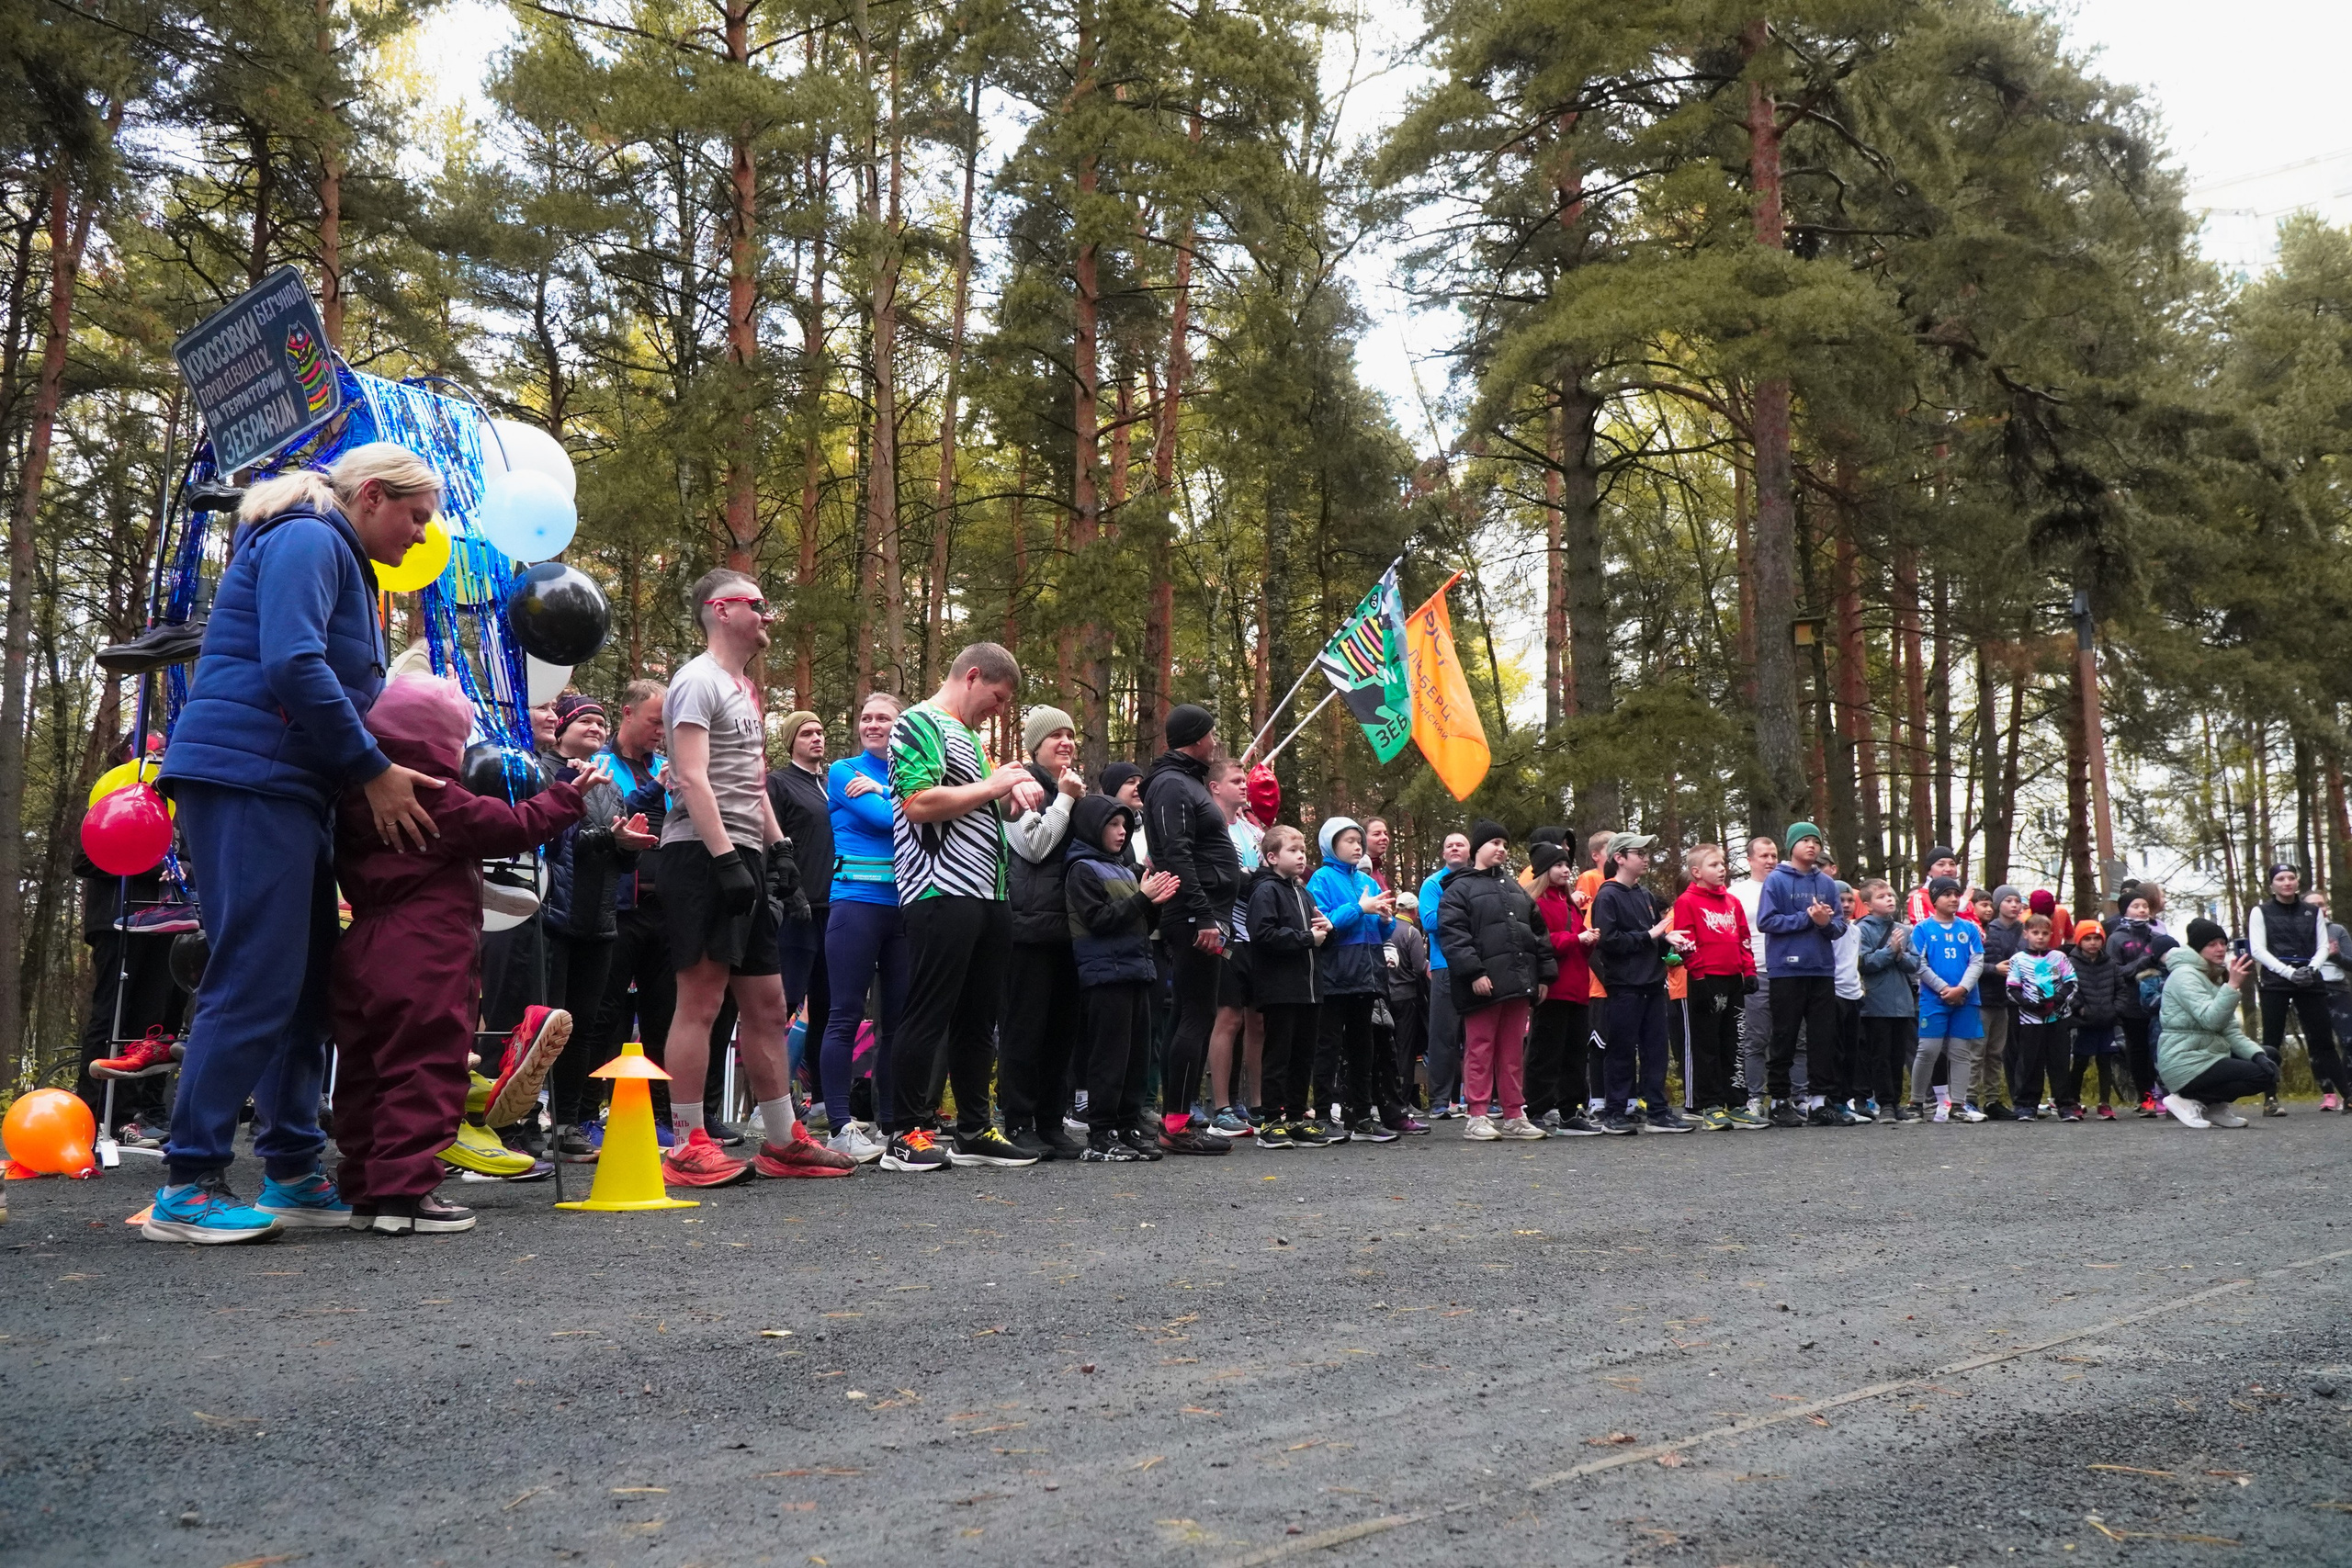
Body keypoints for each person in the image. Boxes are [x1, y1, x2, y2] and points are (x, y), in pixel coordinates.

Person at [145, 446, 445, 1244]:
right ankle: (189, 1182)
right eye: (416, 516)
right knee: (253, 973)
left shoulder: (340, 555)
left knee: (308, 985)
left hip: (293, 788)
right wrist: (372, 768)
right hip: (249, 780)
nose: (422, 536)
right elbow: (291, 662)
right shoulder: (310, 538)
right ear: (374, 496)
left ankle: (291, 1168)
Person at [325, 674, 587, 1234]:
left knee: (365, 1070)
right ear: (447, 742)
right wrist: (567, 795)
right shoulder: (431, 792)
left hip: (364, 940)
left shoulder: (354, 792)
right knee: (424, 1066)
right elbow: (513, 826)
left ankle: (365, 1189)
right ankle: (406, 1195)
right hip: (425, 947)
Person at [652, 570, 853, 1187]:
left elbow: (750, 781)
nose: (768, 615)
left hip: (745, 853)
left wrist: (780, 848)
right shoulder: (695, 681)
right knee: (702, 997)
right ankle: (687, 1143)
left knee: (767, 1003)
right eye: (758, 604)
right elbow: (691, 776)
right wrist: (722, 858)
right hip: (699, 854)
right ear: (720, 609)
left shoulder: (743, 687)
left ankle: (783, 1138)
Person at [885, 643, 1043, 1168]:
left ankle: (975, 1129)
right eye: (996, 697)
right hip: (938, 890)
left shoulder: (972, 739)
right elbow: (919, 803)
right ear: (972, 677)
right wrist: (992, 785)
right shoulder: (917, 723)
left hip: (990, 893)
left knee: (979, 1019)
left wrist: (1010, 794)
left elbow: (980, 801)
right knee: (929, 1012)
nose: (998, 710)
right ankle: (906, 1132)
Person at [1142, 704, 1244, 1154]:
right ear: (1195, 737)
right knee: (1195, 1016)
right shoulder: (1169, 784)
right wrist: (1204, 916)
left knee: (1189, 1014)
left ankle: (1175, 1118)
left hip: (1204, 912)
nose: (1215, 740)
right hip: (1193, 917)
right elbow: (1177, 854)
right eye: (1211, 733)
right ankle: (1177, 1124)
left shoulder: (1188, 782)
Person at [1064, 794, 1181, 1161]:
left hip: (1136, 969)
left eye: (1124, 826)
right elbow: (1100, 921)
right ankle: (1102, 1132)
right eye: (1112, 824)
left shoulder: (1125, 869)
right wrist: (1143, 899)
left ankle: (1128, 1126)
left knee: (1137, 1055)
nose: (1120, 832)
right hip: (1105, 974)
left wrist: (1154, 905)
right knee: (1110, 1057)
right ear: (1092, 827)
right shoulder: (1081, 869)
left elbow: (1139, 925)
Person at [818, 692, 907, 1164]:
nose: (874, 725)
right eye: (866, 718)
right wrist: (889, 797)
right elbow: (890, 820)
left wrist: (884, 791)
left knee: (898, 1021)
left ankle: (894, 1126)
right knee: (845, 1014)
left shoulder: (914, 772)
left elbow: (937, 816)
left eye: (885, 719)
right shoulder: (843, 771)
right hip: (855, 902)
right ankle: (839, 1126)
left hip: (907, 906)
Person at [999, 705, 1086, 1160]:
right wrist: (1067, 801)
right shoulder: (1018, 787)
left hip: (1071, 930)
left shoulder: (1072, 790)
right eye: (1056, 736)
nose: (1066, 743)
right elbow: (1033, 847)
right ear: (1035, 746)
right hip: (1028, 930)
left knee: (1061, 1033)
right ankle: (1017, 1121)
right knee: (1025, 1030)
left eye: (1071, 735)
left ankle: (1052, 1122)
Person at [1438, 819, 1555, 1141]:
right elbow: (1454, 936)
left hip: (1518, 985)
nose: (1502, 849)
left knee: (1512, 1051)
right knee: (1480, 1048)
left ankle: (1515, 1114)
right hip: (1483, 986)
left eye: (1505, 844)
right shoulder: (1458, 889)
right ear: (1478, 849)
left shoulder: (1516, 888)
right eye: (1495, 843)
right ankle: (1476, 1114)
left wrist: (1544, 975)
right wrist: (1474, 972)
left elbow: (1537, 935)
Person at [1591, 831, 1694, 1134]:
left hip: (1652, 983)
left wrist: (1667, 940)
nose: (1646, 858)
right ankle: (1615, 1112)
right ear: (1620, 858)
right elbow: (1608, 941)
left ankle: (1658, 1112)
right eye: (1639, 853)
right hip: (1624, 986)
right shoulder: (1607, 895)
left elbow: (1652, 940)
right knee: (1622, 1049)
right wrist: (1650, 935)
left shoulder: (1645, 895)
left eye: (1647, 852)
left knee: (1656, 1049)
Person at [1308, 815, 1398, 1143]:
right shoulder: (1320, 878)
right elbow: (1325, 923)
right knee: (1328, 1046)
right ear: (1330, 845)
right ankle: (1322, 1115)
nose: (1357, 846)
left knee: (1365, 1046)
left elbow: (1381, 929)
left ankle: (1361, 1115)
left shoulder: (1368, 881)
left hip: (1368, 973)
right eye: (1348, 840)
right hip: (1335, 973)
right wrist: (1361, 908)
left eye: (1359, 841)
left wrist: (1386, 919)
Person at [764, 707, 835, 1122]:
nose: (816, 738)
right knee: (784, 1003)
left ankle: (823, 1099)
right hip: (796, 907)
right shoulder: (778, 783)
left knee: (827, 1005)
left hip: (835, 907)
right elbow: (768, 839)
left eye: (820, 731)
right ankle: (770, 1101)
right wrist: (783, 894)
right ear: (791, 741)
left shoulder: (831, 784)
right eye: (806, 732)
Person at [1758, 822, 1849, 1128]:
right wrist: (1807, 917)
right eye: (1805, 840)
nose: (1812, 845)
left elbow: (1838, 928)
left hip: (1822, 969)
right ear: (1791, 845)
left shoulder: (1826, 883)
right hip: (1786, 969)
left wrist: (1824, 922)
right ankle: (1780, 1100)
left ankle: (1819, 1102)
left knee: (1823, 1036)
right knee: (1784, 1035)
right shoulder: (1776, 881)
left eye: (1816, 841)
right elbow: (1766, 921)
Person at [1248, 825, 1331, 1146]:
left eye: (1303, 851)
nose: (1301, 857)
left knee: (1303, 1056)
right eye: (1293, 851)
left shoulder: (1303, 891)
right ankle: (1271, 1121)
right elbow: (1264, 935)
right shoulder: (1265, 891)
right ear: (1271, 857)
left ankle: (1296, 1117)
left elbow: (1318, 933)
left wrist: (1327, 929)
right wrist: (1307, 938)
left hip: (1310, 988)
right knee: (1278, 1055)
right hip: (1280, 989)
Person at [2245, 863, 2348, 1117]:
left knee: (2323, 1039)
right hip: (2275, 982)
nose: (2287, 882)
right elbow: (2258, 949)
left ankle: (2348, 1094)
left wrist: (2311, 970)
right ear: (2272, 884)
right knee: (2271, 1041)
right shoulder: (2261, 912)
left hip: (2310, 980)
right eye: (2280, 878)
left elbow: (2323, 945)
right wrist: (2289, 972)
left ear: (2297, 882)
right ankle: (2270, 1099)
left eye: (2291, 877)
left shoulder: (2312, 912)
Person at [1673, 844, 1762, 1129]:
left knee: (1734, 1042)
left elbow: (1744, 938)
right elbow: (1686, 942)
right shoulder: (1687, 901)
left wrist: (1749, 971)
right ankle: (1711, 1105)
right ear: (1696, 872)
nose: (1722, 869)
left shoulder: (1732, 902)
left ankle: (1736, 1102)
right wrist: (1699, 977)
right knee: (1706, 1044)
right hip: (1705, 980)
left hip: (1734, 978)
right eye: (1713, 865)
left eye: (1723, 864)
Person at [2155, 919, 2274, 1128]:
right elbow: (2211, 1020)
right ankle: (2186, 1100)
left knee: (2270, 1057)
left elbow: (2229, 1031)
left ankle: (2214, 1106)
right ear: (2197, 948)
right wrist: (2233, 986)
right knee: (2260, 1075)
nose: (2220, 949)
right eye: (2212, 944)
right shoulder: (2185, 976)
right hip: (2186, 1059)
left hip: (2209, 1054)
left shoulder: (2212, 976)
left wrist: (2258, 1055)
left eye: (2222, 943)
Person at [1204, 758, 1264, 1134]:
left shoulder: (1251, 831)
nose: (1244, 787)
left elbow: (1262, 876)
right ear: (1214, 787)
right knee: (1228, 1017)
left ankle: (1257, 1103)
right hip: (1223, 934)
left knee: (1257, 1019)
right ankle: (1221, 1105)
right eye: (1236, 781)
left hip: (1256, 937)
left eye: (1245, 780)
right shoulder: (1209, 827)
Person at [1527, 839, 1600, 1134]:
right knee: (1546, 1052)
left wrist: (1588, 938)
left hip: (1577, 988)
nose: (1565, 870)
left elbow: (1574, 940)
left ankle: (1570, 1110)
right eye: (1558, 865)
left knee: (1574, 1053)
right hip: (1553, 988)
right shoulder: (1538, 903)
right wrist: (1576, 940)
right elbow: (1541, 942)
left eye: (1567, 864)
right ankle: (1536, 1109)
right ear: (1545, 869)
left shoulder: (1569, 903)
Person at [1908, 876, 1985, 1121]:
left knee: (1961, 1051)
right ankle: (1916, 1102)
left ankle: (1959, 1105)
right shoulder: (1922, 930)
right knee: (1928, 1049)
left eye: (1956, 894)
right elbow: (1918, 964)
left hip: (1966, 999)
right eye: (1946, 894)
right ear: (1934, 899)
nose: (1953, 899)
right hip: (1934, 1000)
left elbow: (1977, 961)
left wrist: (1962, 988)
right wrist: (1944, 989)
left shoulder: (1968, 928)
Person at [1854, 878, 1921, 1121]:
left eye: (1891, 895)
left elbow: (1915, 963)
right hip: (1876, 1003)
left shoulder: (1905, 930)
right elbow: (1863, 962)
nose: (1889, 899)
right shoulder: (1862, 929)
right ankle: (1884, 1103)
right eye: (1882, 897)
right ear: (1868, 905)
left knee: (1897, 1055)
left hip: (1902, 1003)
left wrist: (1900, 954)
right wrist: (1889, 951)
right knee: (1879, 1055)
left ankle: (1896, 1101)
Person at [2106, 887, 2174, 1115]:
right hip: (2131, 1002)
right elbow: (2115, 971)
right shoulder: (2116, 938)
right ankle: (2145, 1097)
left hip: (2157, 1002)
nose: (2142, 910)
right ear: (2125, 909)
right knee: (2138, 1051)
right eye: (2136, 906)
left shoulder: (2156, 937)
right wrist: (2143, 963)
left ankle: (2167, 1094)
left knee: (2160, 1048)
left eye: (2145, 906)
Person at [1418, 831, 1472, 1115]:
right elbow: (1429, 921)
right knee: (1443, 1035)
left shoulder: (1479, 880)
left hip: (1477, 966)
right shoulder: (1432, 884)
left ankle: (1477, 1099)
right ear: (1443, 853)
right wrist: (1468, 915)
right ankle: (1440, 1101)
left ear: (1469, 851)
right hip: (1445, 965)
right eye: (1448, 844)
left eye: (1459, 844)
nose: (1454, 848)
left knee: (1477, 1035)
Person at [2007, 915, 2077, 1120]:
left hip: (2057, 1017)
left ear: (2051, 935)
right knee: (2029, 1062)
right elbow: (2012, 988)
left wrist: (2058, 999)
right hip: (2030, 1020)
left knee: (2060, 1061)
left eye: (2045, 933)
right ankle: (2026, 1104)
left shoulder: (2058, 958)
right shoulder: (2018, 960)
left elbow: (2071, 982)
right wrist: (2027, 1004)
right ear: (2026, 934)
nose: (2040, 937)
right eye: (2035, 933)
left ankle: (2064, 1104)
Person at [1731, 833, 1780, 1118]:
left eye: (1773, 855)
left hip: (1787, 972)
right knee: (1756, 1039)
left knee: (1792, 1040)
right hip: (1754, 971)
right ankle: (1754, 1097)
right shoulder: (1737, 893)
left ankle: (1791, 1097)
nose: (1770, 861)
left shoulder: (1786, 886)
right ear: (1750, 860)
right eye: (1764, 856)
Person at [2062, 920, 2124, 1120]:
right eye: (2087, 938)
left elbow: (2121, 989)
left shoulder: (2111, 964)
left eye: (2097, 938)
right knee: (2080, 1061)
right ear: (2079, 941)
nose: (2092, 943)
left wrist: (2115, 1010)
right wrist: (2079, 1008)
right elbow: (2067, 988)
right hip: (2083, 1023)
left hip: (2107, 1022)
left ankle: (2104, 1102)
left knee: (2105, 1062)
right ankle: (2074, 1100)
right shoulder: (2070, 963)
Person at [1976, 886, 2026, 1120]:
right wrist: (1994, 970)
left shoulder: (2025, 931)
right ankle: (1968, 1099)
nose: (2014, 905)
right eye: (2008, 900)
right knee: (1977, 1051)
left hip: (2008, 1001)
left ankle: (1992, 1100)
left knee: (1996, 1053)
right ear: (1998, 905)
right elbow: (1975, 964)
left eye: (2017, 900)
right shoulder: (1987, 931)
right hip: (1986, 998)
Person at [1828, 879, 1870, 1119]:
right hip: (1834, 993)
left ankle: (1845, 1100)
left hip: (1854, 994)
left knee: (1852, 1052)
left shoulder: (1856, 930)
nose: (1845, 905)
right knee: (1836, 1051)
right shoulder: (1827, 931)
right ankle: (1833, 1101)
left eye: (1849, 900)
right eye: (1840, 900)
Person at [1905, 846, 1980, 926]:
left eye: (1952, 864)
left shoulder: (1963, 900)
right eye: (1941, 864)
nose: (1948, 869)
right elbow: (1924, 932)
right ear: (1929, 871)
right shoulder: (1919, 898)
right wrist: (1956, 911)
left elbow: (1980, 935)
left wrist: (1961, 910)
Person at [1363, 817, 1394, 893]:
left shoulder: (1377, 872)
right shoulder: (1357, 871)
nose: (1384, 838)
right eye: (1377, 834)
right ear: (1362, 838)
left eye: (1386, 834)